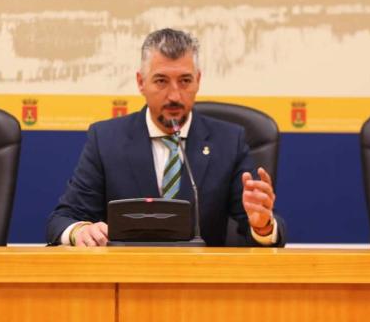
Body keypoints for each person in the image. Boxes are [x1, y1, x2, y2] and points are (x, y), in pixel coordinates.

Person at [46, 28, 286, 246]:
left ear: (198, 81)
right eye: (161, 81)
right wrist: (79, 231)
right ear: (141, 82)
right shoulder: (107, 139)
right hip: (126, 280)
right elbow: (62, 220)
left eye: (185, 81)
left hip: (201, 283)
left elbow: (256, 226)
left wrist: (262, 225)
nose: (174, 95)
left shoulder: (228, 141)